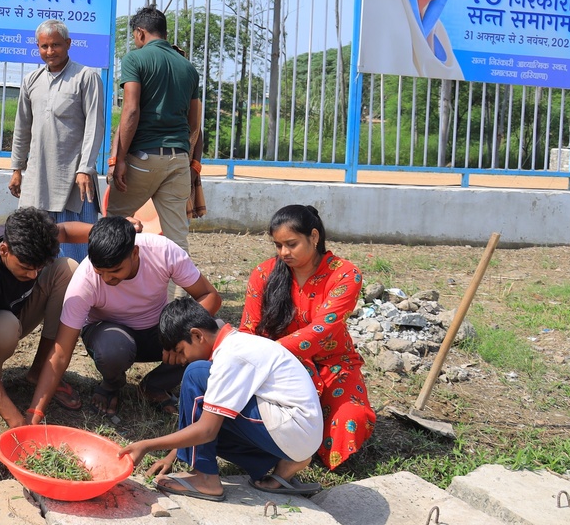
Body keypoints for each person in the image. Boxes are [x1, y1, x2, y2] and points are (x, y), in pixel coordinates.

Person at [120, 298, 324, 500]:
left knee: (196, 373)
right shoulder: (237, 344)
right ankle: (285, 462)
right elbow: (208, 418)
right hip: (299, 433)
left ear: (197, 335)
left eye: (181, 351)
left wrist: (146, 445)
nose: (182, 360)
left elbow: (207, 430)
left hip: (293, 428)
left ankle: (206, 479)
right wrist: (172, 454)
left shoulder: (231, 356)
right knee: (211, 404)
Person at [26, 216, 222, 420]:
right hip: (110, 337)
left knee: (212, 331)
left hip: (158, 332)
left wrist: (176, 335)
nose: (107, 279)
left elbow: (210, 297)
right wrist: (35, 410)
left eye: (115, 271)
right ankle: (112, 384)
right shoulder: (84, 281)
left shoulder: (162, 251)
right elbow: (60, 352)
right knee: (112, 348)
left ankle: (154, 386)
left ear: (135, 253)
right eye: (100, 272)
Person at [0, 207, 110, 425]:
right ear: (4, 250)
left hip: (14, 310)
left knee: (67, 269)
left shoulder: (31, 237)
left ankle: (39, 371)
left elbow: (66, 231)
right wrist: (18, 422)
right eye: (26, 267)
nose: (33, 275)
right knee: (5, 326)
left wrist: (109, 231)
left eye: (39, 268)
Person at [240, 204, 376, 469]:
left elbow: (322, 330)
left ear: (314, 237)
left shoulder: (345, 274)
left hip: (332, 365)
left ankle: (306, 449)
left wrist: (272, 352)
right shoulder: (264, 274)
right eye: (278, 246)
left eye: (291, 244)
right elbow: (249, 328)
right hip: (277, 368)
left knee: (351, 418)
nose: (283, 253)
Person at [9, 19, 104, 262]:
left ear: (68, 44)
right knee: (35, 245)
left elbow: (95, 126)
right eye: (44, 46)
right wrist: (17, 169)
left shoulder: (86, 77)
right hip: (38, 178)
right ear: (37, 47)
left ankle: (81, 297)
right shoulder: (31, 80)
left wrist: (85, 169)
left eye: (55, 45)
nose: (50, 51)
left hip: (73, 179)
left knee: (78, 251)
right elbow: (22, 127)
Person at [109, 5, 201, 252]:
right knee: (176, 235)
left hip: (143, 156)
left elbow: (130, 111)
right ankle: (174, 292)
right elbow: (194, 124)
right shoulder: (188, 68)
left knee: (114, 223)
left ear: (140, 33)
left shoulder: (135, 59)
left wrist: (119, 159)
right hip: (179, 159)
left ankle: (111, 286)